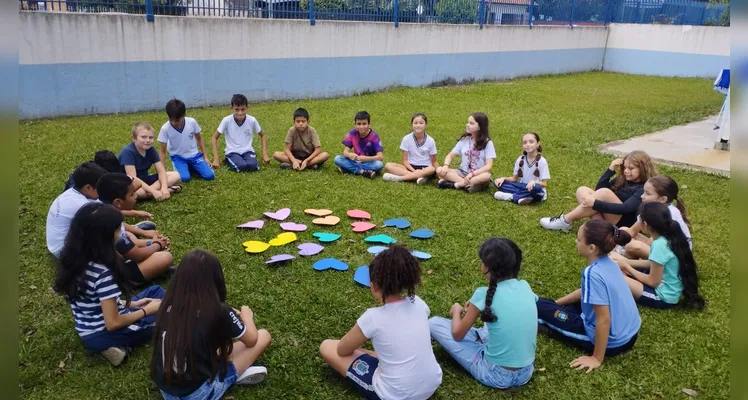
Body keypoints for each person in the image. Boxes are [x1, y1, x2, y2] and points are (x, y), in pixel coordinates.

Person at [319, 245, 442, 400]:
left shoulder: (373, 318)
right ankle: (378, 357)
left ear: (374, 285)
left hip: (394, 394)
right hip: (432, 383)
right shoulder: (419, 303)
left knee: (327, 346)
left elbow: (342, 350)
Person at [53, 203, 164, 366]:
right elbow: (112, 323)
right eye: (118, 230)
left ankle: (116, 348)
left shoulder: (74, 259)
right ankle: (118, 344)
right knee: (167, 314)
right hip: (104, 331)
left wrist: (133, 303)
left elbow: (94, 301)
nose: (121, 233)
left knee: (156, 292)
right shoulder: (103, 273)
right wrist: (146, 310)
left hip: (87, 326)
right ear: (104, 237)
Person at [152, 250, 271, 400]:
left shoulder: (167, 304)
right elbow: (252, 339)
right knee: (263, 336)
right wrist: (247, 316)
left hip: (167, 390)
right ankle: (231, 379)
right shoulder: (219, 311)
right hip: (197, 394)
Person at [429, 238, 537, 389]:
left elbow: (457, 335)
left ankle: (480, 341)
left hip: (495, 374)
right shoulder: (525, 287)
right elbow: (511, 312)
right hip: (526, 372)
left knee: (433, 323)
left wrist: (456, 311)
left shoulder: (482, 294)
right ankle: (482, 339)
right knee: (495, 326)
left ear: (485, 267)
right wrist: (476, 307)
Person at [536, 220, 641, 372]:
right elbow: (585, 293)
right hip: (631, 335)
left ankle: (550, 327)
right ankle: (553, 315)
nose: (576, 242)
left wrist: (596, 358)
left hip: (614, 343)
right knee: (553, 307)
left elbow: (604, 320)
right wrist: (557, 304)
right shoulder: (611, 263)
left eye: (579, 240)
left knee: (538, 306)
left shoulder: (592, 273)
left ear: (591, 248)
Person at [540, 150, 658, 232]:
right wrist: (610, 170)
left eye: (631, 168)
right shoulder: (623, 179)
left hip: (625, 222)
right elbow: (599, 189)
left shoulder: (644, 187)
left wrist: (595, 204)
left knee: (604, 193)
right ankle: (602, 228)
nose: (626, 171)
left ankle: (565, 220)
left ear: (642, 169)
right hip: (611, 214)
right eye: (625, 167)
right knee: (582, 190)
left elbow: (626, 208)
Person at [617, 202, 705, 309]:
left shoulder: (659, 245)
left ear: (645, 225)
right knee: (619, 271)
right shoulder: (669, 236)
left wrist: (627, 267)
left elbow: (653, 282)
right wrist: (625, 262)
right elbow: (653, 264)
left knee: (615, 277)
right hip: (666, 287)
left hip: (663, 297)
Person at [96, 173, 174, 287]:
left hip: (102, 263)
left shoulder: (99, 210)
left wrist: (149, 241)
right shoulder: (111, 223)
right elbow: (138, 255)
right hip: (106, 277)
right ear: (117, 202)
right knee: (165, 257)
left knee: (128, 236)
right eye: (132, 194)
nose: (136, 196)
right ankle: (130, 281)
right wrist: (158, 244)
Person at [612, 175, 692, 268]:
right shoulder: (649, 208)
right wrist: (614, 247)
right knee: (624, 229)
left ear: (663, 199)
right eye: (643, 192)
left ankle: (621, 266)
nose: (642, 196)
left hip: (674, 256)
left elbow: (654, 243)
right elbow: (632, 230)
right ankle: (618, 260)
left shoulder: (669, 214)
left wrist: (623, 251)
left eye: (648, 193)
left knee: (633, 246)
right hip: (661, 248)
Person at [63, 150, 161, 222]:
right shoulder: (84, 198)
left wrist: (124, 193)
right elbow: (103, 213)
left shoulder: (100, 171)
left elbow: (137, 183)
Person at [46, 162, 107, 258]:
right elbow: (108, 222)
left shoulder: (72, 192)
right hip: (65, 251)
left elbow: (104, 208)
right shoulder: (82, 206)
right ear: (88, 188)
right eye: (100, 188)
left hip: (56, 245)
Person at [119, 122, 182, 201]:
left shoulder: (151, 149)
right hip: (130, 184)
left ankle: (155, 192)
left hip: (145, 180)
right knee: (136, 193)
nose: (148, 140)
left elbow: (161, 171)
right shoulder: (128, 152)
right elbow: (133, 178)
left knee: (176, 175)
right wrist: (153, 191)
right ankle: (168, 190)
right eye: (143, 137)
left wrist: (164, 187)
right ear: (134, 138)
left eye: (151, 137)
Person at [157, 99, 215, 183]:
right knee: (184, 178)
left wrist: (205, 157)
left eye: (177, 120)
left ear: (184, 115)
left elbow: (199, 139)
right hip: (178, 157)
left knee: (210, 176)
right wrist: (162, 171)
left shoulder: (192, 122)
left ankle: (190, 167)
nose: (174, 122)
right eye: (171, 119)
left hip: (194, 156)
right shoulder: (165, 128)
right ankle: (185, 168)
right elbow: (162, 151)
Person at [437, 112, 495, 192]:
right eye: (468, 122)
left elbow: (488, 166)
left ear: (480, 127)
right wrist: (446, 166)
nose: (467, 125)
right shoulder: (464, 140)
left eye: (471, 123)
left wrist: (472, 174)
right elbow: (450, 155)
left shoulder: (488, 143)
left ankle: (455, 185)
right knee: (439, 170)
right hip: (462, 173)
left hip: (477, 174)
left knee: (486, 176)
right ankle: (472, 185)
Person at [211, 94, 269, 172]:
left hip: (248, 151)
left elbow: (263, 135)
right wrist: (216, 158)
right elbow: (214, 138)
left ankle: (247, 158)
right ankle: (228, 158)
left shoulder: (252, 120)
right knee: (241, 167)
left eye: (243, 109)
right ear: (231, 108)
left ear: (247, 108)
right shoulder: (226, 120)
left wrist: (264, 154)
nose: (240, 113)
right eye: (237, 109)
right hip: (232, 151)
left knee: (253, 167)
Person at [493, 132, 550, 205]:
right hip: (522, 186)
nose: (528, 145)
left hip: (536, 190)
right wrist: (503, 178)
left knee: (537, 188)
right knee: (500, 184)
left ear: (538, 144)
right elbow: (514, 179)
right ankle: (526, 197)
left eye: (531, 142)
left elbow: (544, 184)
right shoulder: (520, 159)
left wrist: (534, 182)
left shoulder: (542, 161)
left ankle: (511, 196)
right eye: (525, 143)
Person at [382, 113, 439, 185]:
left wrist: (440, 173)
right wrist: (414, 171)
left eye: (421, 123)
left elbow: (434, 161)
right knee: (388, 165)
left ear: (426, 125)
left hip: (425, 168)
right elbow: (405, 161)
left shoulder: (430, 140)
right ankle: (417, 177)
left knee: (432, 169)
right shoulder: (406, 139)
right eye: (415, 123)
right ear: (412, 125)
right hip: (410, 167)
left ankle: (400, 178)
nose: (418, 125)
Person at [333, 111, 384, 179]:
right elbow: (345, 152)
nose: (361, 126)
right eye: (358, 124)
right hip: (356, 160)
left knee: (379, 164)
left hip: (369, 162)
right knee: (337, 158)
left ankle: (348, 169)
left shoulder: (374, 136)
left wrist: (366, 159)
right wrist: (349, 155)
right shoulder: (352, 133)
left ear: (369, 124)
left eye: (364, 124)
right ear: (355, 124)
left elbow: (380, 157)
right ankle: (363, 172)